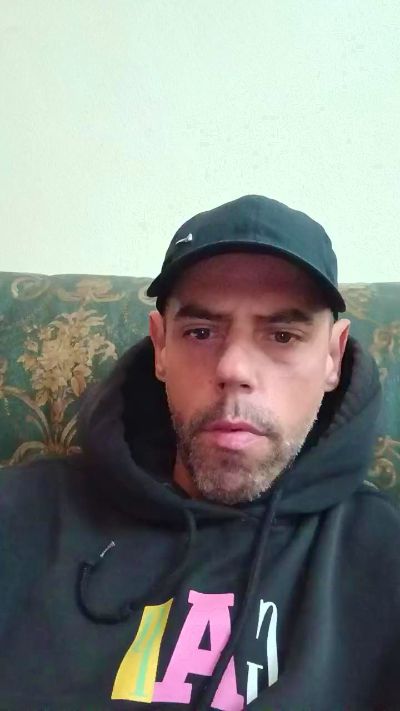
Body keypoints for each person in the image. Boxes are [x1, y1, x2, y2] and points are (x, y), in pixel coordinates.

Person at [0, 194, 399, 711]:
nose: (234, 368)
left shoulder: (383, 558)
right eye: (201, 332)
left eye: (282, 335)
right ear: (161, 346)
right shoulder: (20, 514)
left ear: (332, 356)